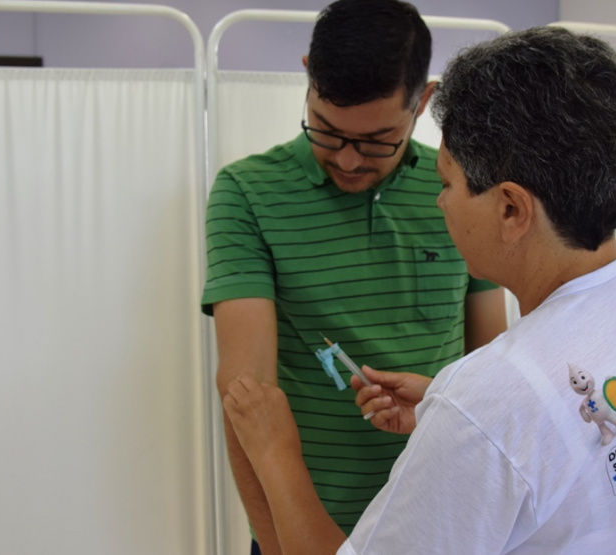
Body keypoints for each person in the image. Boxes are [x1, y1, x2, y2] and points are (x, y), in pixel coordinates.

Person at [222, 26, 616, 554]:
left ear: (511, 209)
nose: (439, 202)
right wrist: (446, 412)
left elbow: (502, 417)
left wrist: (275, 453)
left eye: (448, 183)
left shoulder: (487, 408)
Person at [200, 1, 507, 553]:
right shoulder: (246, 193)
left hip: (442, 524)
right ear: (307, 79)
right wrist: (276, 545)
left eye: (374, 141)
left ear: (424, 102)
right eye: (325, 130)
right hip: (298, 531)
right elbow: (244, 397)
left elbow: (494, 366)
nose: (346, 160)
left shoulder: (462, 198)